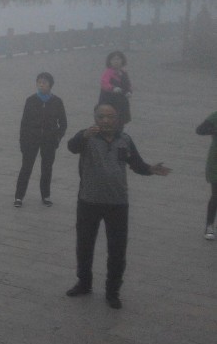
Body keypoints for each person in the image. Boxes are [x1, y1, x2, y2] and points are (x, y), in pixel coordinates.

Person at [65, 103, 170, 309]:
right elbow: (71, 146)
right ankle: (84, 283)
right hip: (89, 201)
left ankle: (113, 291)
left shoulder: (125, 140)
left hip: (118, 204)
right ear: (95, 118)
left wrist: (150, 169)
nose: (105, 121)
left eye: (110, 117)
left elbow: (136, 164)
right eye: (101, 117)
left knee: (117, 250)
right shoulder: (86, 137)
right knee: (84, 246)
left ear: (118, 118)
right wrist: (84, 135)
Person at [13, 73, 67, 208]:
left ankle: (46, 195)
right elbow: (24, 123)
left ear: (50, 85)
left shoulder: (57, 101)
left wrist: (57, 137)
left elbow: (63, 123)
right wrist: (22, 141)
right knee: (26, 168)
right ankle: (19, 197)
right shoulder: (31, 100)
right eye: (39, 82)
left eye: (44, 82)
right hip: (31, 140)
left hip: (49, 140)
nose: (41, 85)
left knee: (47, 168)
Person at [196, 110, 217, 241]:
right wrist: (214, 131)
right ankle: (209, 225)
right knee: (216, 195)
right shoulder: (215, 116)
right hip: (216, 162)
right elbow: (200, 130)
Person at [98, 50, 132, 127]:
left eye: (118, 59)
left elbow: (128, 84)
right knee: (110, 120)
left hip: (122, 101)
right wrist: (112, 88)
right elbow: (104, 83)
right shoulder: (108, 72)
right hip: (109, 101)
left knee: (121, 120)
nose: (116, 61)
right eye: (113, 59)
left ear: (122, 60)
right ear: (109, 61)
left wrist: (129, 91)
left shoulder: (124, 73)